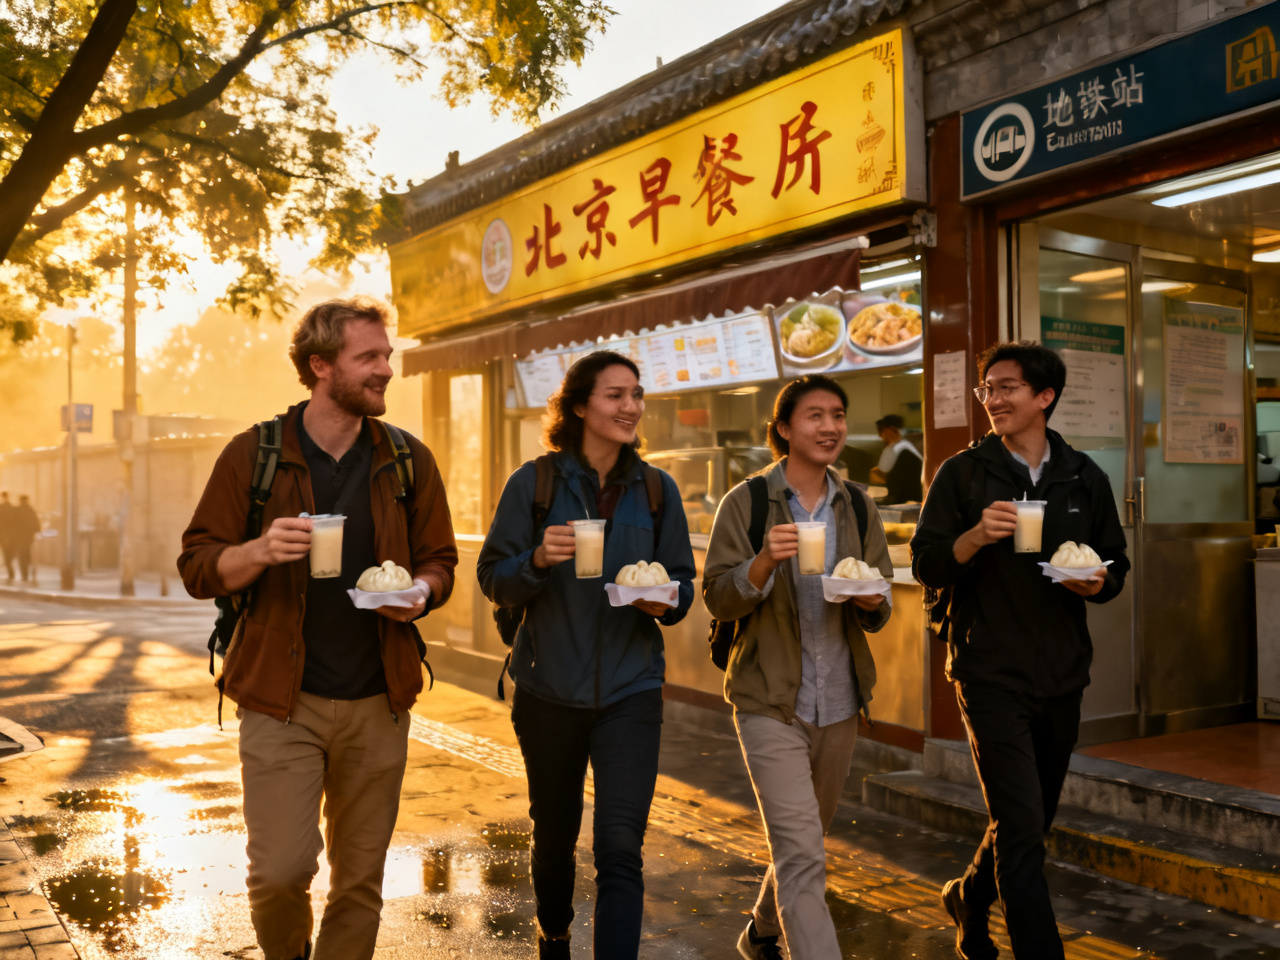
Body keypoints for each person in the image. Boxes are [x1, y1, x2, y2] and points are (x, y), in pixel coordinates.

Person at [178, 297, 458, 960]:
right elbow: (197, 565)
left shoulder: (407, 460)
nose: (386, 369)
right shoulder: (255, 455)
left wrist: (420, 593)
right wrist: (257, 551)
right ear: (320, 365)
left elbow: (440, 560)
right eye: (369, 357)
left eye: (387, 355)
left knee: (359, 883)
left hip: (378, 700)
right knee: (280, 874)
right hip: (281, 702)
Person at [909, 341, 1129, 960]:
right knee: (1022, 825)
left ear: (1044, 396)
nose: (993, 399)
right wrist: (975, 536)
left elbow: (1115, 562)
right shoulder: (963, 472)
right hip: (987, 669)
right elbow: (926, 564)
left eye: (1006, 387)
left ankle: (968, 897)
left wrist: (1098, 583)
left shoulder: (1084, 475)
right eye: (987, 388)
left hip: (1062, 670)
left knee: (1029, 820)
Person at [477, 351, 695, 960]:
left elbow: (682, 587)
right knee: (554, 834)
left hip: (632, 690)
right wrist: (536, 560)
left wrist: (661, 601)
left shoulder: (657, 490)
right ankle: (553, 934)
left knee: (621, 845)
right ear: (578, 406)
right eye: (614, 395)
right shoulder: (534, 484)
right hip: (547, 689)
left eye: (636, 395)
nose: (631, 407)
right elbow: (493, 578)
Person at [703, 375, 893, 960]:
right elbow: (717, 598)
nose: (830, 426)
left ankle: (762, 930)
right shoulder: (746, 502)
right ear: (784, 428)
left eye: (838, 415)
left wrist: (871, 600)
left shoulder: (857, 504)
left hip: (839, 702)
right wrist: (763, 562)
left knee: (804, 841)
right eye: (815, 415)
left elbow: (881, 601)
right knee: (804, 852)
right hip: (769, 700)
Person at [868, 414, 923, 503]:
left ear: (892, 429)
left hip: (907, 496)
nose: (880, 436)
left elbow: (883, 469)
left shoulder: (903, 447)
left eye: (882, 431)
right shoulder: (897, 446)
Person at [13, 495, 41, 583]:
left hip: (19, 537)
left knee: (22, 556)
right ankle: (30, 573)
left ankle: (24, 575)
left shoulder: (16, 510)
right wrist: (35, 531)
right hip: (29, 537)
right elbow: (36, 524)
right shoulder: (30, 510)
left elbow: (12, 524)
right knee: (28, 555)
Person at [0, 492, 14, 582]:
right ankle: (10, 572)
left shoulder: (2, 507)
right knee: (8, 554)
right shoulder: (12, 508)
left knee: (7, 554)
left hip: (3, 534)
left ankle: (10, 573)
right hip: (10, 534)